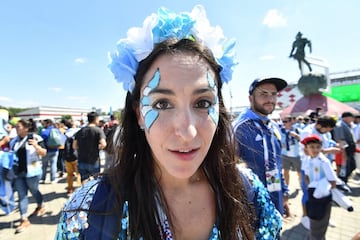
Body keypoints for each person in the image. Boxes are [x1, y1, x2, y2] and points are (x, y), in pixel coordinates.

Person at [55, 5, 282, 239]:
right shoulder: (91, 210)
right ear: (138, 114)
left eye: (203, 103)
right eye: (162, 104)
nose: (187, 131)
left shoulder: (247, 191)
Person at [233, 77, 291, 217]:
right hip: (251, 207)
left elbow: (275, 165)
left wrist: (283, 192)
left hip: (275, 199)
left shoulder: (274, 127)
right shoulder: (239, 128)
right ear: (251, 98)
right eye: (264, 94)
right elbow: (228, 171)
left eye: (273, 94)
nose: (270, 99)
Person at [299, 115, 341, 229]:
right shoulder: (307, 132)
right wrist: (328, 150)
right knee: (308, 193)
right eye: (326, 129)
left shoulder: (325, 132)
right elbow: (307, 151)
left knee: (324, 193)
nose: (327, 132)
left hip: (324, 168)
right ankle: (305, 216)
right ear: (319, 125)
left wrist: (334, 145)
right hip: (310, 169)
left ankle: (323, 216)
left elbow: (328, 141)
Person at [10, 119, 47, 233]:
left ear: (26, 128)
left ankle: (41, 205)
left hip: (33, 172)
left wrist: (36, 146)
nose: (16, 129)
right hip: (18, 173)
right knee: (22, 195)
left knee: (34, 191)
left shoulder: (35, 138)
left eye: (18, 127)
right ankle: (24, 219)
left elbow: (44, 153)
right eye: (15, 127)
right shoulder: (14, 140)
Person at [301, 134, 337, 240]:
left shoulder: (324, 162)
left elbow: (333, 181)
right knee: (314, 221)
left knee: (320, 222)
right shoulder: (308, 159)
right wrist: (309, 187)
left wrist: (322, 189)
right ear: (306, 148)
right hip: (313, 195)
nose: (315, 149)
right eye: (312, 147)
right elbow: (307, 175)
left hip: (323, 198)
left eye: (317, 147)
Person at [73, 111, 106, 183]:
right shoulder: (98, 130)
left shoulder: (80, 131)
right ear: (96, 119)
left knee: (84, 181)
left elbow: (74, 146)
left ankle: (84, 193)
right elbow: (103, 144)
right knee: (95, 182)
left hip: (81, 160)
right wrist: (97, 148)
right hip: (94, 160)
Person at [333, 111, 357, 183]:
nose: (353, 119)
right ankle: (341, 182)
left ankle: (343, 181)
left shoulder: (347, 125)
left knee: (351, 166)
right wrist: (343, 152)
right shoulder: (339, 125)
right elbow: (340, 140)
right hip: (344, 150)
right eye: (351, 117)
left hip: (350, 149)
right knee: (344, 168)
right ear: (346, 117)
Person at [280, 115, 301, 187]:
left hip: (296, 154)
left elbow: (303, 140)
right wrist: (280, 144)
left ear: (291, 122)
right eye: (283, 121)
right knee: (286, 171)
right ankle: (287, 187)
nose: (284, 123)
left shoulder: (296, 130)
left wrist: (296, 136)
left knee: (299, 171)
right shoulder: (280, 131)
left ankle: (301, 185)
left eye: (286, 121)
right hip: (285, 154)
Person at [40, 119, 60, 184]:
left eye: (44, 123)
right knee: (53, 165)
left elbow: (41, 141)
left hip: (46, 150)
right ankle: (53, 179)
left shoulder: (44, 132)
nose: (43, 125)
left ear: (48, 123)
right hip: (55, 150)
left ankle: (43, 179)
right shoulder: (57, 130)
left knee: (44, 166)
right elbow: (62, 139)